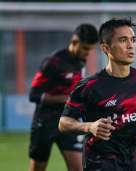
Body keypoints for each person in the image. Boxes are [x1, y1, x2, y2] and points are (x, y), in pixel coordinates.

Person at [59, 18, 136, 171]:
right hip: (101, 164)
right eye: (123, 40)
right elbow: (63, 123)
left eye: (133, 40)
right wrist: (90, 126)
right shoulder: (89, 86)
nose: (131, 45)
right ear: (106, 48)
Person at [28, 24, 99, 171]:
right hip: (45, 123)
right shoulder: (52, 62)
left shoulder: (81, 62)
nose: (88, 53)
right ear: (74, 42)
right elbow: (34, 95)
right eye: (86, 48)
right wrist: (65, 99)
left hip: (68, 122)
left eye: (91, 49)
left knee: (78, 168)